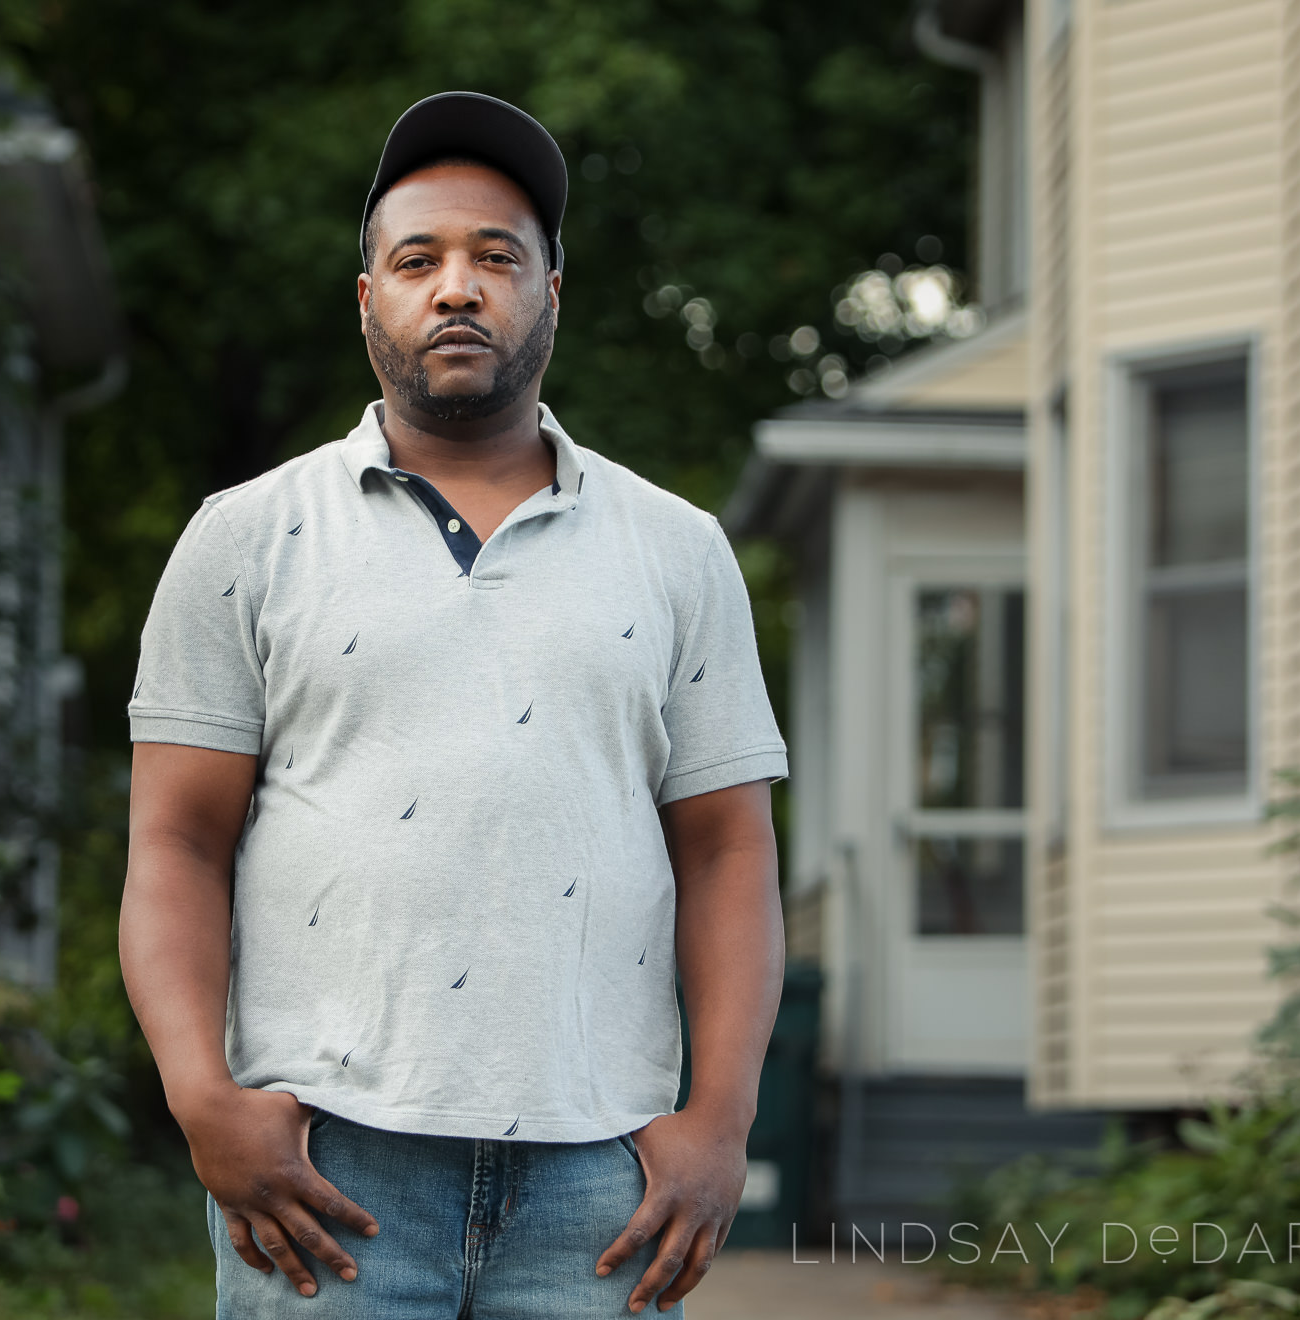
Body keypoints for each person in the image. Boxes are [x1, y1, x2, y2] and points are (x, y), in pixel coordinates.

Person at [120, 90, 790, 1318]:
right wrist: (201, 1097)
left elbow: (729, 849)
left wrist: (720, 1120)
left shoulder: (679, 551)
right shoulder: (246, 538)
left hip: (606, 1181)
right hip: (325, 1169)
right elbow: (176, 837)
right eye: (417, 259)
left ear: (551, 292)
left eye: (498, 257)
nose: (460, 287)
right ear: (368, 297)